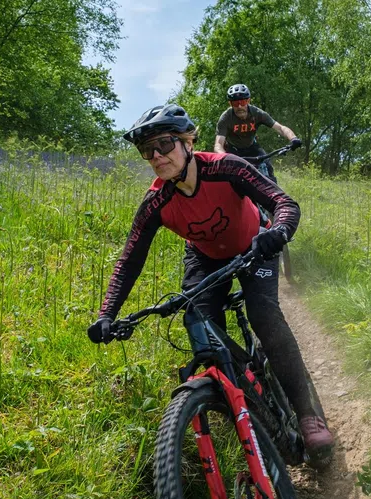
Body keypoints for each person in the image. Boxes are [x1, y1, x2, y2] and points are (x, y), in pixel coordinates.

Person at [87, 104, 333, 460]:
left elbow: (283, 202)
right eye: (147, 151)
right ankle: (248, 407)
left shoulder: (225, 167)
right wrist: (107, 313)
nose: (156, 156)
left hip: (256, 245)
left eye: (165, 144)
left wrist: (278, 231)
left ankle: (309, 417)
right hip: (204, 257)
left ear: (188, 141)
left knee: (263, 314)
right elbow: (130, 259)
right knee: (202, 333)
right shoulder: (156, 201)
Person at [214, 83, 299, 184]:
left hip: (252, 148)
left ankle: (274, 197)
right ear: (230, 104)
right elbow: (218, 144)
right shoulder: (226, 118)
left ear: (248, 101)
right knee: (231, 179)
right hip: (233, 151)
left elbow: (280, 128)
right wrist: (224, 156)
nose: (240, 106)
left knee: (268, 169)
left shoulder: (257, 113)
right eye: (235, 103)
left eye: (243, 101)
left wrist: (293, 138)